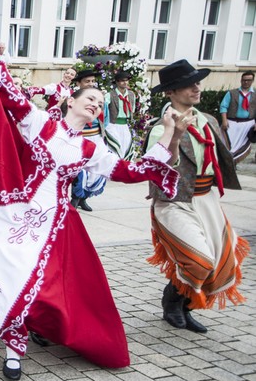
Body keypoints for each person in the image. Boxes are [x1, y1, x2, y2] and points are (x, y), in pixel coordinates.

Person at [0, 33, 184, 381]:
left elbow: (132, 171)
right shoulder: (41, 125)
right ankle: (13, 346)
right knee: (12, 275)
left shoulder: (91, 150)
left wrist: (170, 133)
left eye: (100, 103)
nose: (95, 104)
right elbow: (10, 96)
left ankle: (26, 337)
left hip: (56, 225)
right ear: (71, 101)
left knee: (48, 287)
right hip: (17, 213)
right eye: (91, 98)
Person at [146, 59, 249, 334]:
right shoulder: (161, 126)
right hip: (174, 202)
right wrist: (176, 135)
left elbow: (227, 158)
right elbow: (162, 166)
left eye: (197, 81)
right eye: (187, 84)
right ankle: (171, 300)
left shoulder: (209, 121)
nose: (196, 87)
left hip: (206, 199)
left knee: (220, 260)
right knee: (198, 259)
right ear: (170, 91)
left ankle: (186, 306)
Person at [70, 68, 107, 211]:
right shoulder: (73, 99)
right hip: (81, 137)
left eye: (93, 81)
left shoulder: (100, 99)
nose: (91, 84)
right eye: (87, 81)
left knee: (95, 171)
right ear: (79, 83)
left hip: (96, 137)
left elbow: (105, 120)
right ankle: (75, 198)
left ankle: (84, 198)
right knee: (80, 170)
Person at [219, 70, 255, 163]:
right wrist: (224, 120)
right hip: (231, 123)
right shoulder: (231, 93)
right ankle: (226, 163)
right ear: (241, 80)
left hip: (248, 124)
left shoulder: (255, 95)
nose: (246, 82)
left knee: (241, 147)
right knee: (226, 145)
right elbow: (223, 106)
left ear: (252, 81)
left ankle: (234, 164)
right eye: (244, 80)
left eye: (249, 80)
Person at [104, 70, 137, 160]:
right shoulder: (109, 95)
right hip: (112, 124)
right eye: (122, 80)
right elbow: (104, 110)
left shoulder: (131, 95)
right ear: (117, 82)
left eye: (126, 80)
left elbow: (132, 110)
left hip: (125, 125)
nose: (125, 82)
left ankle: (124, 168)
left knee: (126, 147)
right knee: (114, 147)